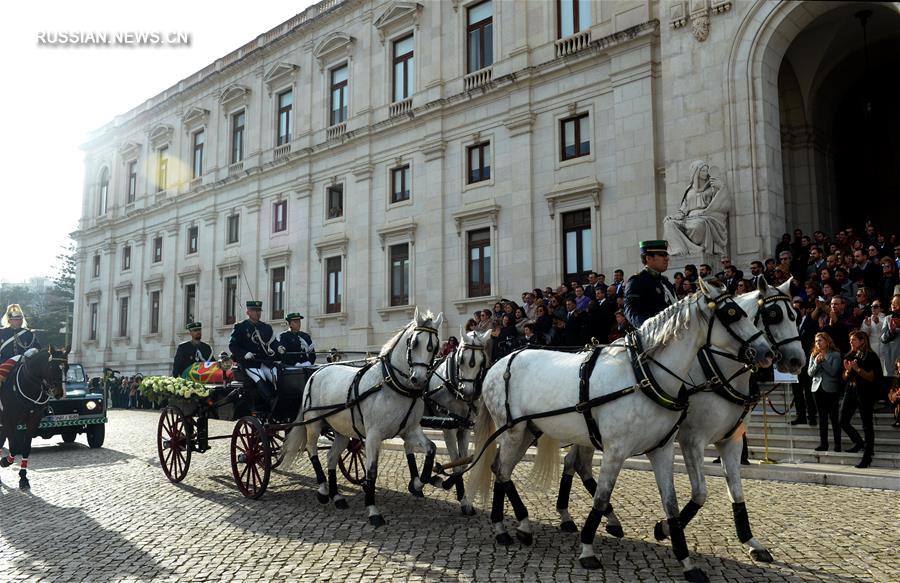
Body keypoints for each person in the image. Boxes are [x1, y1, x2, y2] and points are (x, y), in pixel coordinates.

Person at [663, 160, 729, 256]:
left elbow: (722, 204)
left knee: (697, 226)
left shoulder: (712, 188)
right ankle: (679, 249)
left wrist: (721, 187)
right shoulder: (689, 190)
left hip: (706, 216)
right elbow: (683, 209)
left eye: (706, 171)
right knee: (669, 224)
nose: (705, 173)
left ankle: (696, 249)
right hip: (688, 218)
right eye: (702, 171)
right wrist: (674, 216)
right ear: (696, 172)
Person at [840, 330, 882, 468]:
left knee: (867, 425)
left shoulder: (871, 356)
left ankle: (868, 455)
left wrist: (857, 369)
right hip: (851, 390)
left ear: (862, 341)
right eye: (850, 340)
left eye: (854, 340)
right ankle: (859, 442)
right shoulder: (850, 355)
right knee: (842, 420)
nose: (851, 342)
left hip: (865, 393)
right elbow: (845, 377)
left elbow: (871, 377)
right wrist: (847, 371)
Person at [229, 300, 281, 411]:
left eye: (259, 311)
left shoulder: (266, 327)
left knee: (275, 376)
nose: (257, 313)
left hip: (264, 362)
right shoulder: (240, 327)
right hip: (249, 364)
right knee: (258, 376)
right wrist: (244, 353)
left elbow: (273, 342)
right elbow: (232, 345)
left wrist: (279, 347)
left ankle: (280, 399)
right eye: (254, 311)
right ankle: (271, 401)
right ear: (248, 312)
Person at [624, 240, 676, 328]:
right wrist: (649, 327)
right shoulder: (637, 281)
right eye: (662, 255)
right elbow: (631, 311)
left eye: (666, 255)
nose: (666, 258)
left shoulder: (666, 282)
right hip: (652, 335)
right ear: (648, 258)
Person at [808, 333, 842, 452]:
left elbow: (834, 372)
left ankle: (837, 444)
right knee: (822, 418)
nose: (818, 343)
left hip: (831, 389)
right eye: (816, 341)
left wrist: (823, 362)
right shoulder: (814, 355)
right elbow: (810, 373)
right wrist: (817, 363)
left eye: (820, 340)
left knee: (834, 417)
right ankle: (824, 444)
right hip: (817, 389)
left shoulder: (835, 355)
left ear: (827, 341)